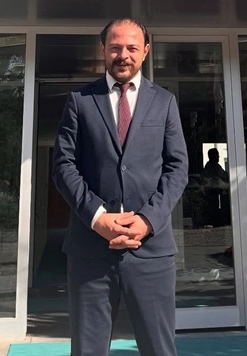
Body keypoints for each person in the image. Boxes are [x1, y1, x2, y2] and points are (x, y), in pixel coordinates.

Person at [52, 18, 189, 356]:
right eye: (115, 47)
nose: (123, 55)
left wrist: (147, 220)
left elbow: (177, 169)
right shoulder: (80, 101)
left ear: (145, 51)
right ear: (103, 50)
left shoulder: (165, 102)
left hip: (151, 250)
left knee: (159, 349)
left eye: (131, 47)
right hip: (90, 252)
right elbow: (63, 166)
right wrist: (97, 217)